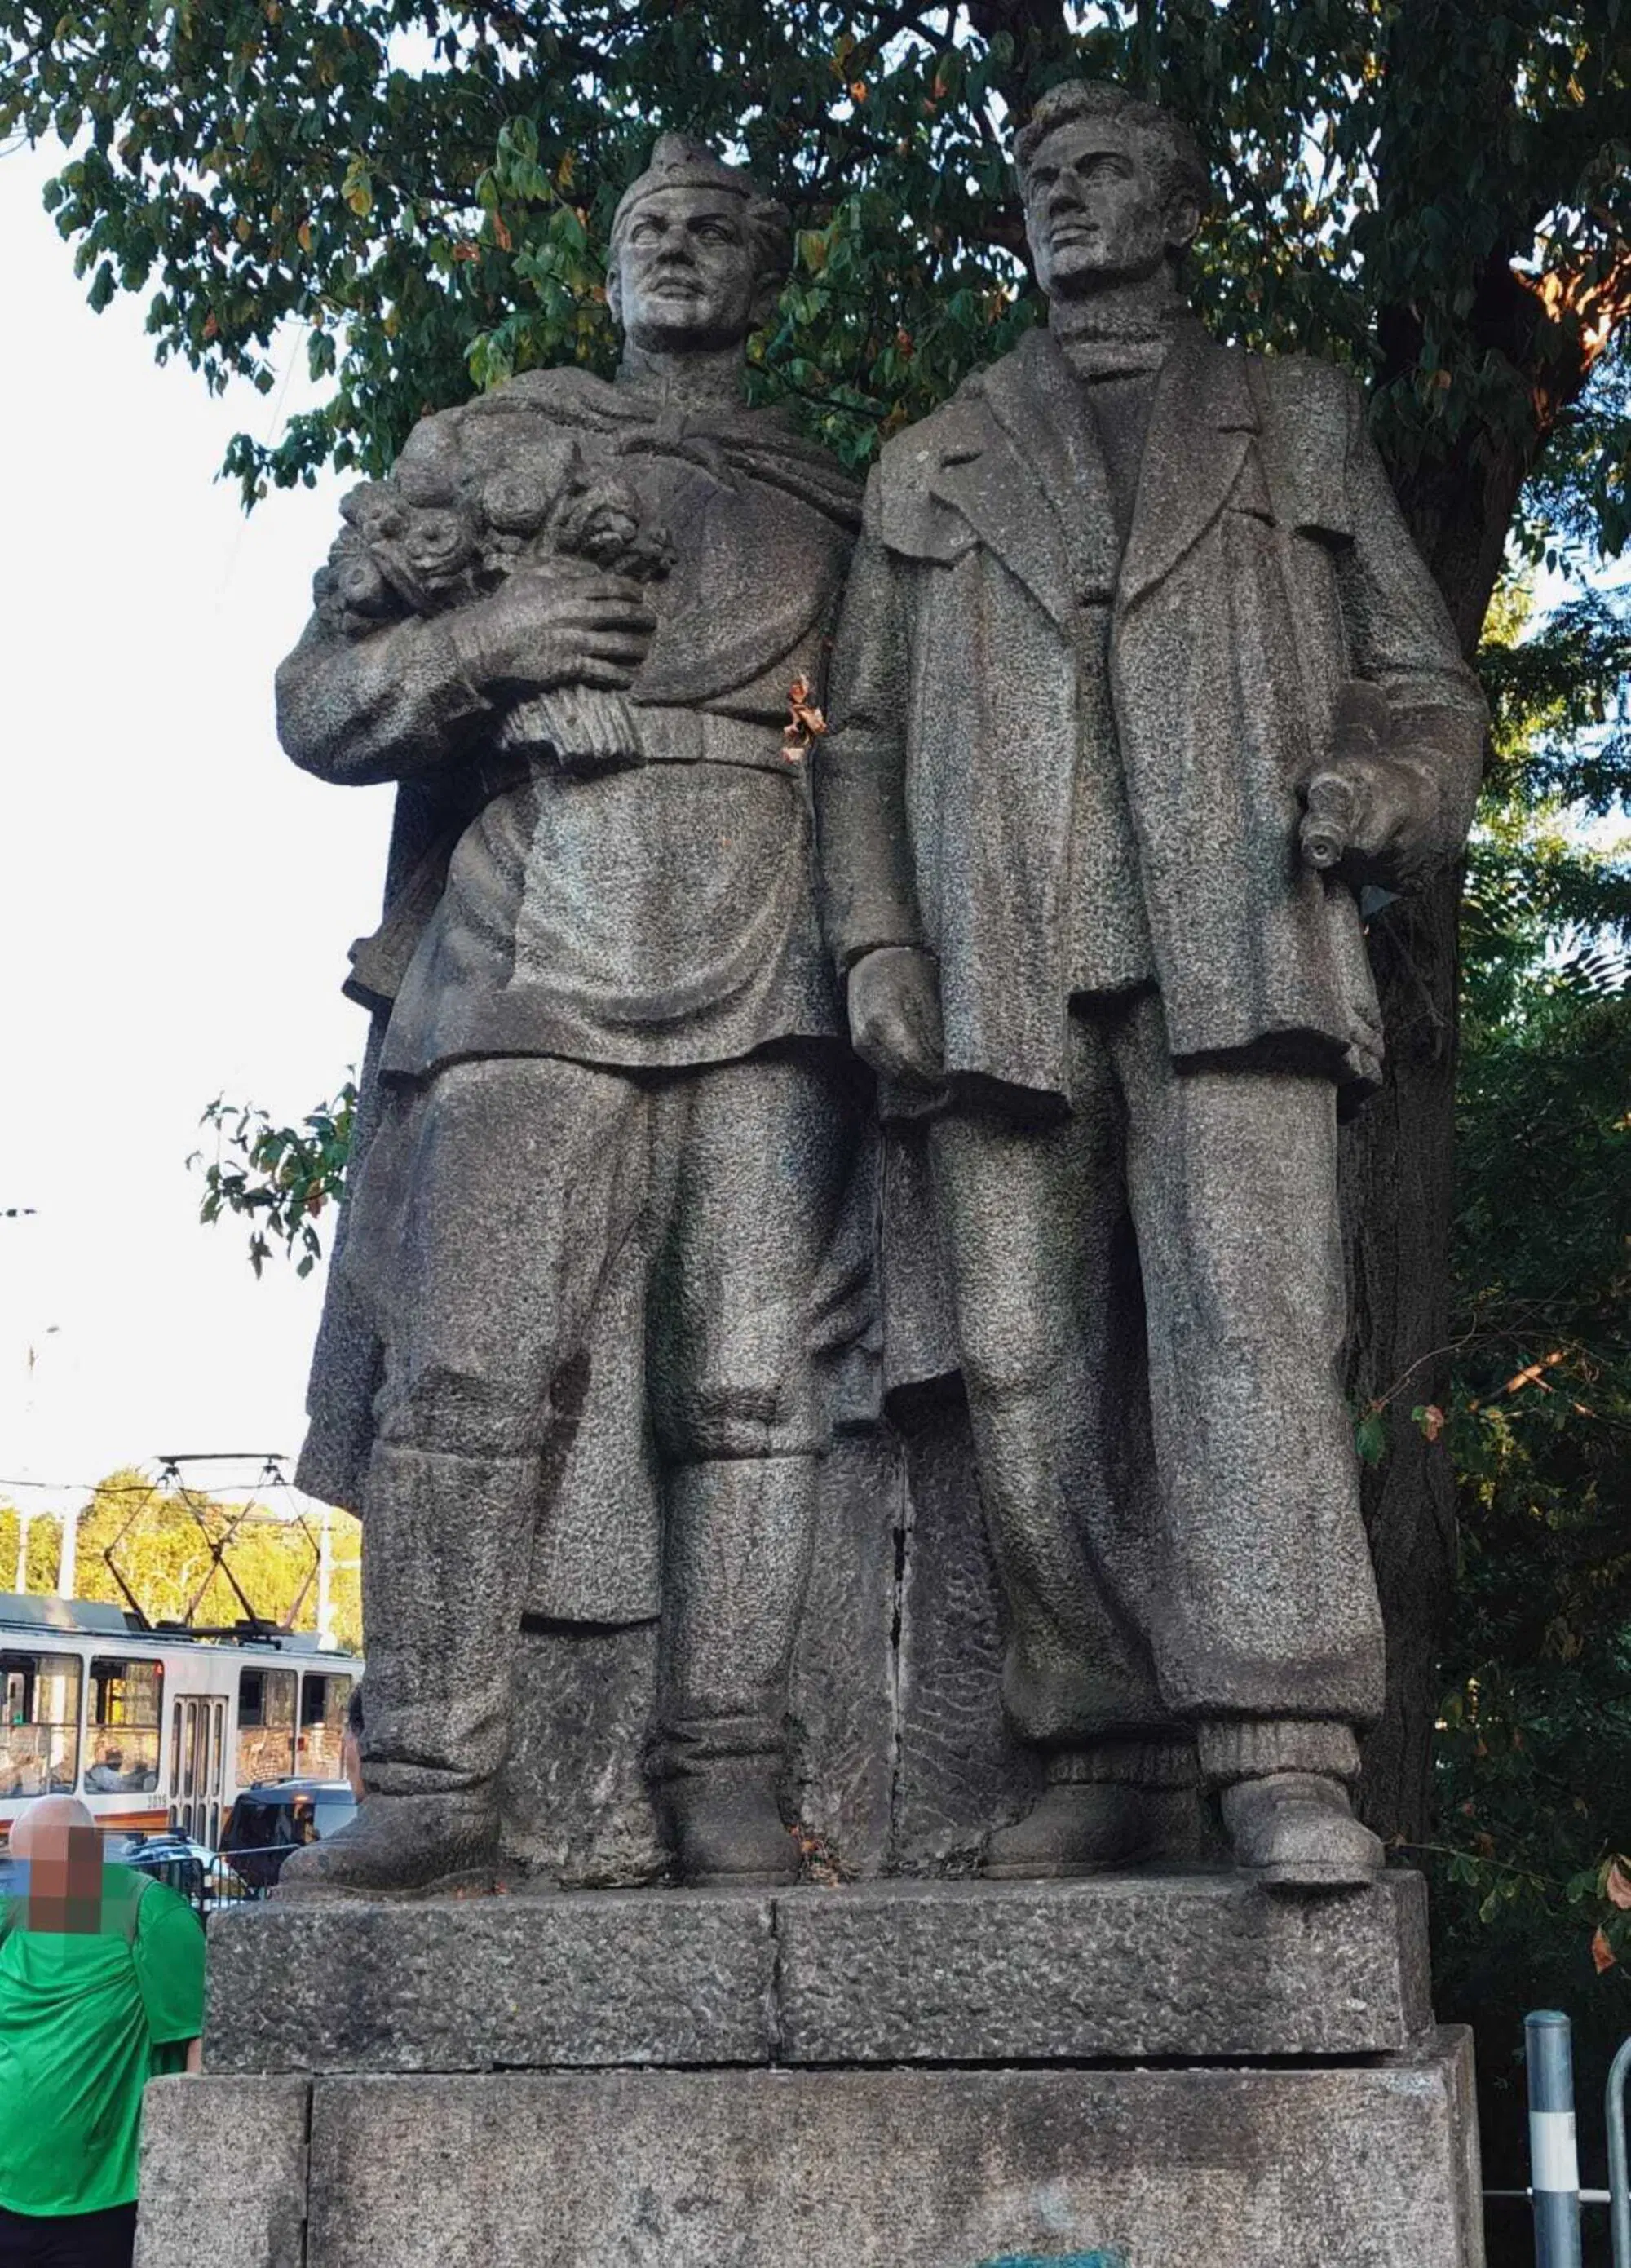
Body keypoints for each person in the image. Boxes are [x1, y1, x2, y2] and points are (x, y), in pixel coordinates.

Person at [818, 79, 1487, 1888]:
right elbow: (859, 738)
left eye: (1104, 168)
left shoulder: (1295, 416)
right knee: (1017, 1364)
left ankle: (1283, 1748)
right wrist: (878, 939)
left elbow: (1426, 684)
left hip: (1240, 938)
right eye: (1041, 174)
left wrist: (1387, 790)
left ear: (1180, 209)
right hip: (1001, 960)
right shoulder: (935, 457)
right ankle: (1098, 1739)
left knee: (1248, 1333)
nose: (1067, 196)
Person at [275, 135, 865, 1897]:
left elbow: (896, 748)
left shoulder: (836, 499)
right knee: (468, 1373)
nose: (677, 246)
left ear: (767, 276)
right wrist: (495, 644)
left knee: (750, 1389)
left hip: (770, 953)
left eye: (715, 228)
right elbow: (318, 704)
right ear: (609, 267)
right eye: (647, 225)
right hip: (524, 940)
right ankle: (435, 1777)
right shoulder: (490, 449)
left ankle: (731, 1772)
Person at [0, 1797, 205, 2268]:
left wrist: (183, 2173)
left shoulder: (148, 1911)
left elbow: (199, 2041)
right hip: (8, 2196)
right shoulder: (16, 1913)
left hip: (103, 2204)